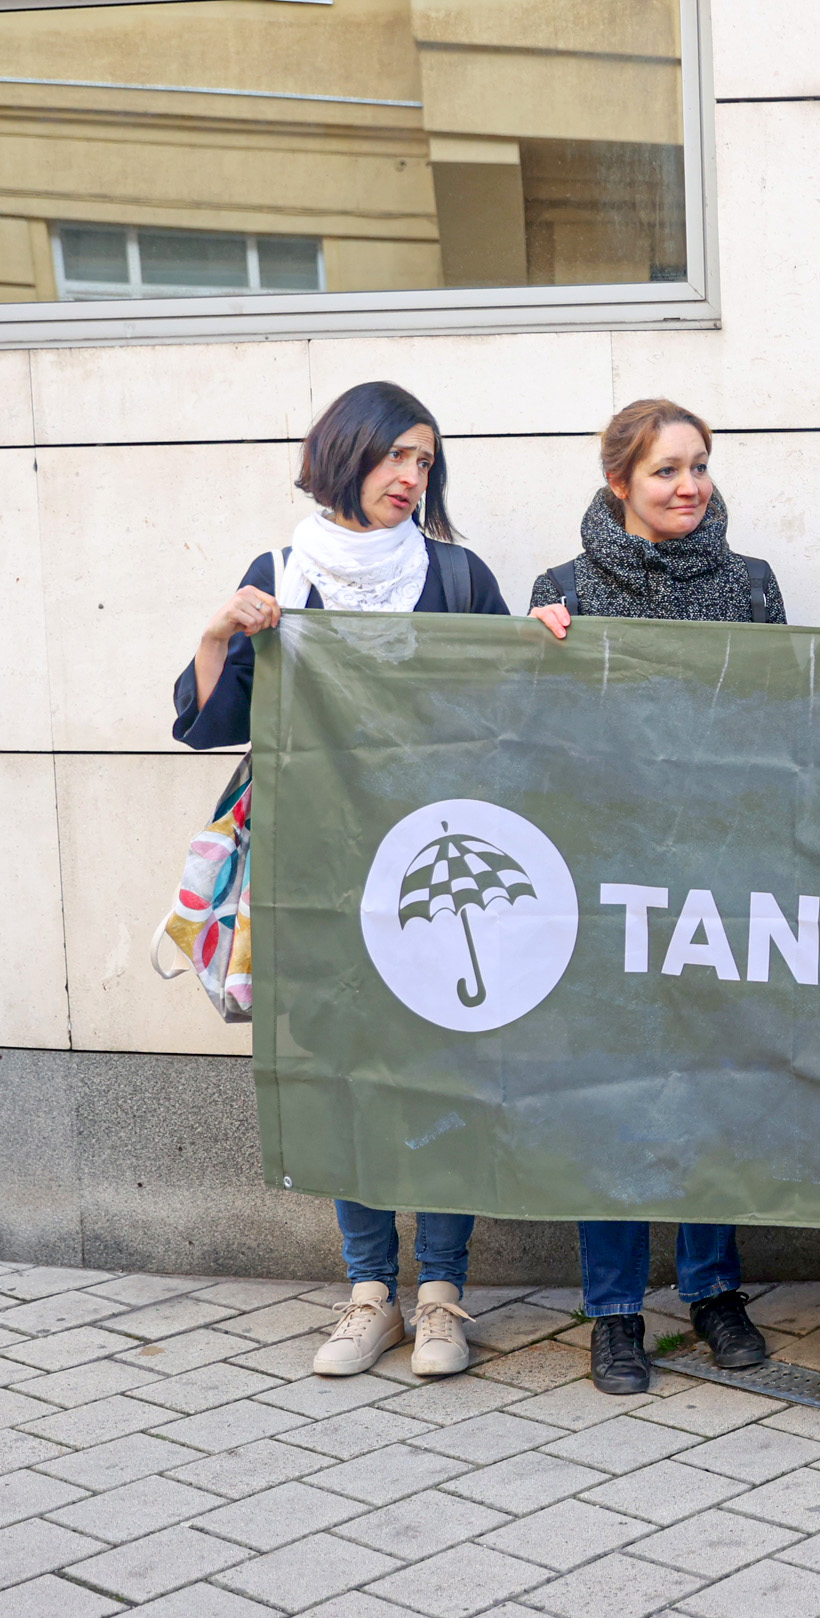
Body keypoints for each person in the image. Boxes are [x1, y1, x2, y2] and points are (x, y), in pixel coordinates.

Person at [173, 380, 512, 1380]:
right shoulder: (279, 572)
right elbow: (212, 721)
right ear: (347, 454)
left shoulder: (454, 575)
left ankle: (443, 1292)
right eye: (397, 455)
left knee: (440, 1070)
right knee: (344, 1076)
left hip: (432, 870)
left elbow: (510, 713)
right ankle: (370, 1291)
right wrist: (220, 633)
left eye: (426, 460)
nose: (412, 476)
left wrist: (539, 646)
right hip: (318, 870)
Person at [529, 396, 784, 1395]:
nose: (688, 487)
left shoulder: (751, 586)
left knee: (711, 1086)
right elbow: (534, 747)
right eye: (667, 470)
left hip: (719, 879)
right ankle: (614, 1310)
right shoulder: (563, 592)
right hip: (607, 885)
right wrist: (531, 657)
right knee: (616, 1097)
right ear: (619, 484)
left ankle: (713, 1288)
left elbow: (783, 731)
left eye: (699, 466)